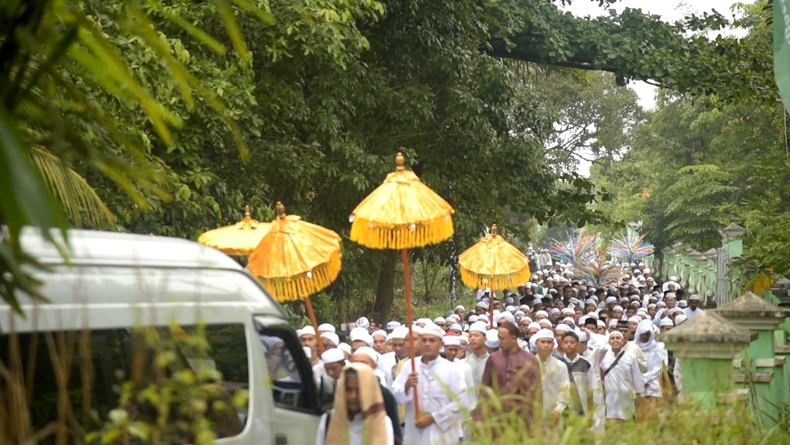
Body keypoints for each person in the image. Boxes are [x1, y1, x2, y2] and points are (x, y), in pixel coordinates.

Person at [392, 323, 467, 445]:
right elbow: (395, 396)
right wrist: (407, 386)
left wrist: (433, 417)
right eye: (424, 340)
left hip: (443, 435)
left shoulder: (452, 370)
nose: (427, 344)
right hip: (415, 434)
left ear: (441, 345)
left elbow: (461, 402)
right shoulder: (409, 366)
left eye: (432, 340)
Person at [475, 321, 542, 434]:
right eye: (498, 338)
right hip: (496, 419)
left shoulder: (529, 360)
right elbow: (485, 390)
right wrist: (480, 417)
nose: (499, 342)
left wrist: (535, 422)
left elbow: (536, 394)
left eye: (502, 339)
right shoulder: (493, 359)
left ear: (513, 338)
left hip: (521, 420)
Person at [315, 364, 394, 445]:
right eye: (349, 390)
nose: (353, 396)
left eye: (359, 390)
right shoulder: (329, 420)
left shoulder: (382, 422)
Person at [350, 351, 404, 445]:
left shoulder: (383, 393)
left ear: (374, 366)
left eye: (363, 363)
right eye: (355, 362)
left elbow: (394, 426)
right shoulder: (343, 390)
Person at [600, 331, 644, 425]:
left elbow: (636, 377)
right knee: (612, 424)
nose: (615, 340)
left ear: (622, 341)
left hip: (626, 396)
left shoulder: (631, 357)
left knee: (627, 423)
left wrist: (638, 396)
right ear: (609, 342)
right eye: (612, 338)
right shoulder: (603, 357)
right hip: (610, 397)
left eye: (618, 338)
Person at [533, 329, 571, 421]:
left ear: (553, 345)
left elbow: (565, 391)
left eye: (549, 342)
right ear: (536, 343)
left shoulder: (560, 366)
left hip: (554, 417)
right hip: (533, 416)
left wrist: (557, 411)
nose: (546, 345)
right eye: (542, 342)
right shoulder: (529, 364)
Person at [635, 319, 667, 410]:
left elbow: (658, 368)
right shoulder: (633, 347)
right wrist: (639, 381)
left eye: (648, 334)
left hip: (652, 382)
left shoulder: (657, 348)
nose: (645, 337)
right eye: (643, 334)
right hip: (636, 383)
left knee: (651, 410)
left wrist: (645, 379)